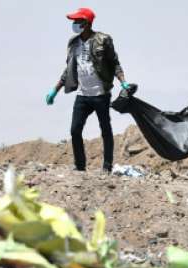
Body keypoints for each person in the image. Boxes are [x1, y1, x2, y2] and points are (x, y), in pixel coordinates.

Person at [46, 7, 129, 173]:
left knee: (105, 129)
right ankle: (80, 166)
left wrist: (123, 82)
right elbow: (68, 70)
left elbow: (114, 63)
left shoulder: (102, 40)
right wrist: (55, 90)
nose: (75, 24)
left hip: (100, 94)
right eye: (74, 21)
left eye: (78, 21)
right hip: (82, 95)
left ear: (87, 23)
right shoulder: (74, 43)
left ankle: (107, 166)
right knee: (75, 130)